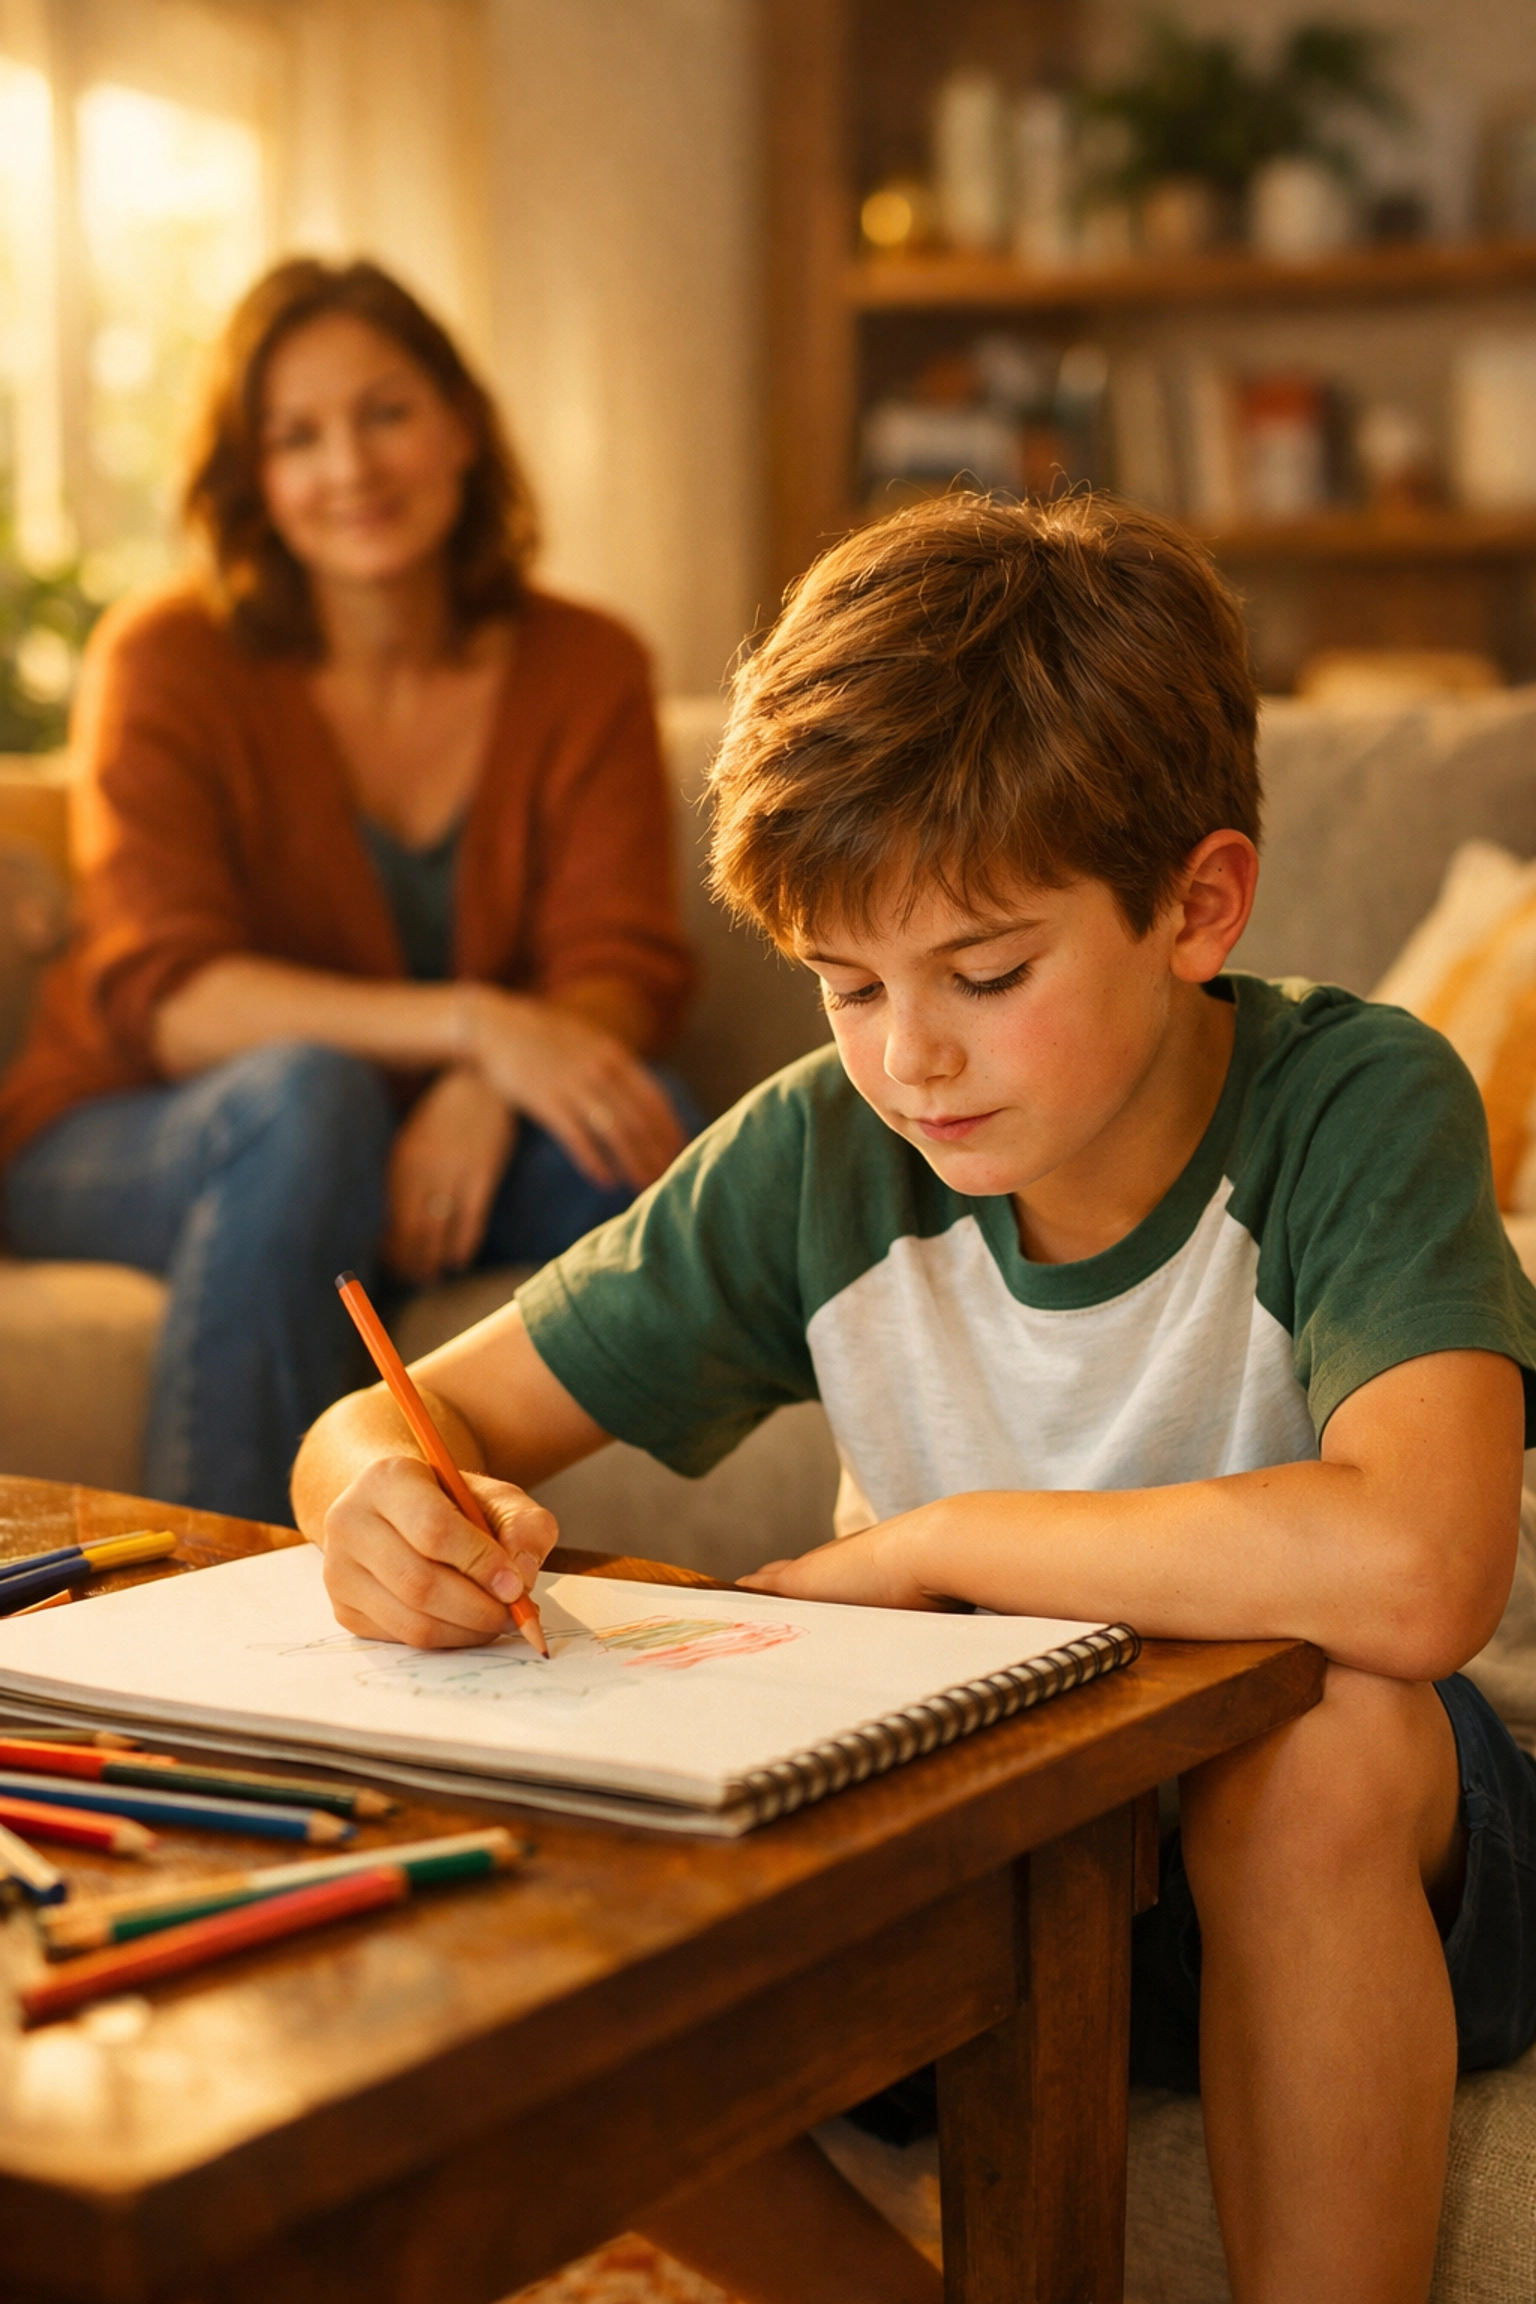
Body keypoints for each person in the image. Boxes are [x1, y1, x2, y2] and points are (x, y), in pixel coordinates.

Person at [292, 493, 1536, 2304]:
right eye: (843, 982)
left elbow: (1424, 1567)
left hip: (1383, 1849)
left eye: (985, 972)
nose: (906, 1056)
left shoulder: (1353, 1101)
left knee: (1314, 1739)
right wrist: (378, 1503)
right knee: (550, 1914)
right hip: (1009, 1841)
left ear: (1197, 905)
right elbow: (399, 1417)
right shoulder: (820, 1146)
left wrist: (943, 1550)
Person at [0, 258, 694, 1528]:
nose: (351, 468)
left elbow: (620, 963)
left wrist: (496, 1081)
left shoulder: (585, 664)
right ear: (251, 478)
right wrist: (476, 1026)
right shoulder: (166, 662)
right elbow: (173, 1002)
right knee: (305, 1102)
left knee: (645, 1118)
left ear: (461, 427)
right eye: (297, 436)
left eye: (386, 412)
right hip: (127, 1135)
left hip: (412, 1151)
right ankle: (207, 1615)